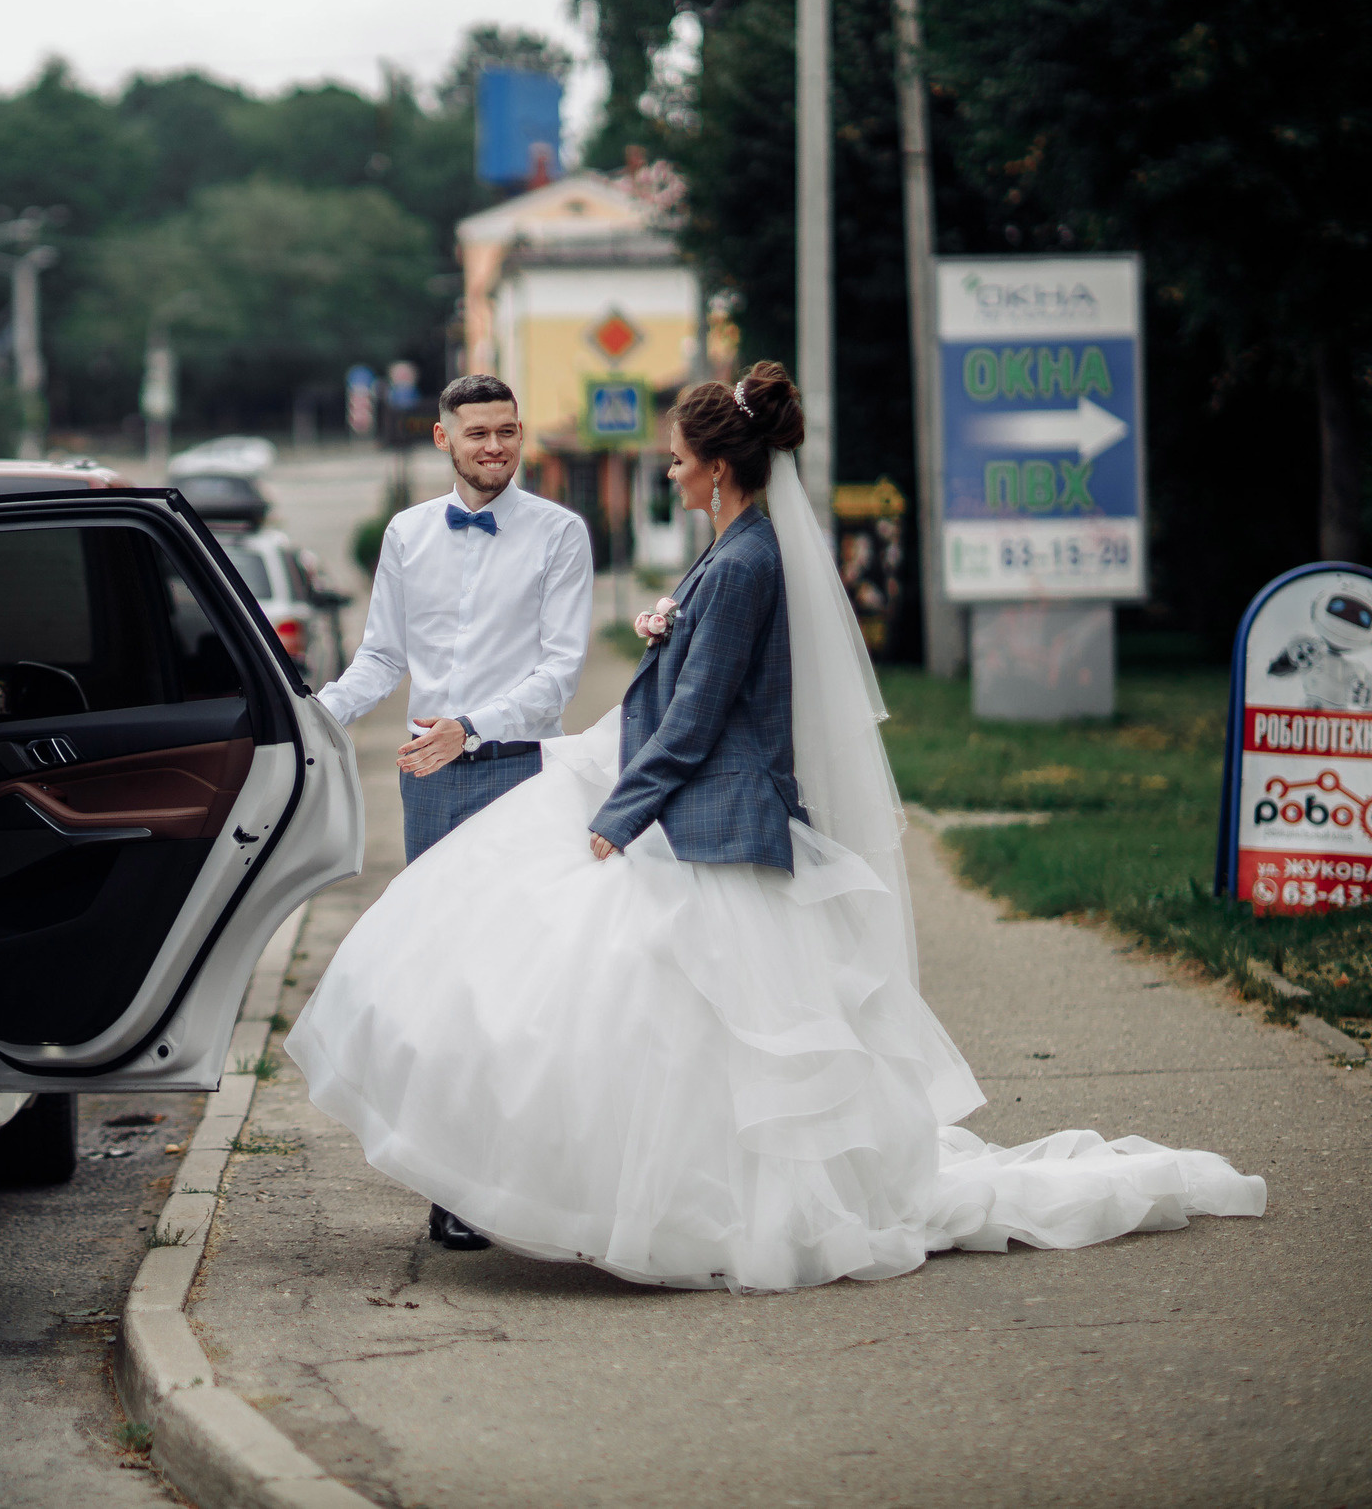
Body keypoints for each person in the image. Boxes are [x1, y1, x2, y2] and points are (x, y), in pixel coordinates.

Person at [287, 364, 1264, 1291]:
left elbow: (693, 716)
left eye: (678, 459)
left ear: (717, 467)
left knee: (684, 1024)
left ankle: (692, 1205)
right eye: (481, 431)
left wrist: (617, 814)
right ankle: (559, 1187)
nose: (669, 471)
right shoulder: (728, 551)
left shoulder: (734, 559)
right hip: (603, 800)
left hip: (677, 807)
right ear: (444, 436)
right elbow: (659, 682)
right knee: (640, 1019)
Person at [316, 372, 593, 866]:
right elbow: (382, 657)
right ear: (443, 438)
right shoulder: (406, 532)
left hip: (524, 771)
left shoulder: (560, 533)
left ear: (521, 433)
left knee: (515, 914)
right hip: (428, 778)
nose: (495, 447)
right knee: (428, 914)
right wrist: (318, 714)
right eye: (478, 433)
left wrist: (468, 727)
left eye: (506, 432)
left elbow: (559, 675)